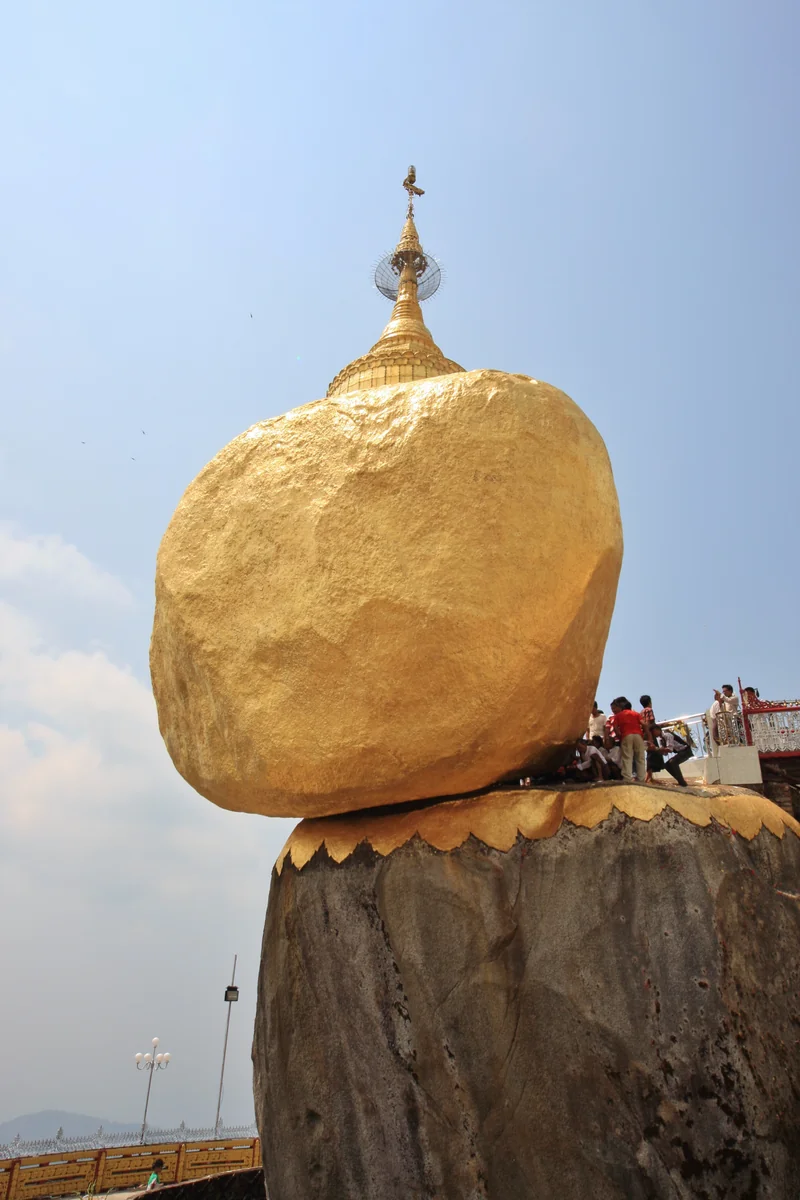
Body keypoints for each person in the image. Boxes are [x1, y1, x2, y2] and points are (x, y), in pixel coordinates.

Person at [611, 697, 646, 784]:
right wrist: (644, 734)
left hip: (626, 735)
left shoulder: (618, 715)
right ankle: (641, 779)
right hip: (638, 735)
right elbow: (644, 724)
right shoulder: (636, 714)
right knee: (640, 758)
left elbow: (615, 728)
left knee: (627, 757)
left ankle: (627, 778)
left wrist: (620, 736)